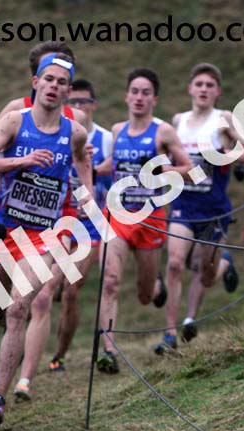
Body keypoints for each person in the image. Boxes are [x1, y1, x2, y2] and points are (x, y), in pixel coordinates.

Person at [0, 53, 93, 426]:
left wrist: (87, 196)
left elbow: (82, 160)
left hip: (44, 234)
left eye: (62, 82)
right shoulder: (15, 121)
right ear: (36, 83)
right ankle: (10, 334)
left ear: (67, 90)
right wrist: (21, 163)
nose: (55, 86)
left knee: (18, 309)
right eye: (49, 79)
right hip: (3, 227)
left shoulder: (74, 132)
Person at [95, 68, 192, 373]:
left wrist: (162, 172)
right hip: (118, 214)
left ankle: (157, 286)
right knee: (109, 282)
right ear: (127, 96)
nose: (139, 97)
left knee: (145, 294)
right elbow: (115, 164)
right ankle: (108, 350)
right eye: (134, 91)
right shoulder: (118, 130)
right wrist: (93, 166)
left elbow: (187, 166)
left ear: (154, 99)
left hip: (150, 217)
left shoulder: (163, 132)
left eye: (145, 92)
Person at [158, 63, 244, 353]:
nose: (203, 89)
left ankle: (223, 265)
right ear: (190, 88)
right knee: (175, 263)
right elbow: (165, 158)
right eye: (199, 84)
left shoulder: (224, 119)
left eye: (209, 85)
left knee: (206, 274)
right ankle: (169, 333)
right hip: (183, 204)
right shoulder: (177, 121)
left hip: (214, 208)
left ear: (218, 92)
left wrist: (227, 155)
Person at [48, 78, 113, 372]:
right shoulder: (57, 134)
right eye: (71, 102)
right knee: (47, 289)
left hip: (90, 226)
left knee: (72, 291)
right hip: (59, 222)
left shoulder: (107, 139)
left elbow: (119, 181)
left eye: (82, 102)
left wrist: (97, 171)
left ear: (93, 105)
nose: (77, 107)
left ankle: (59, 355)